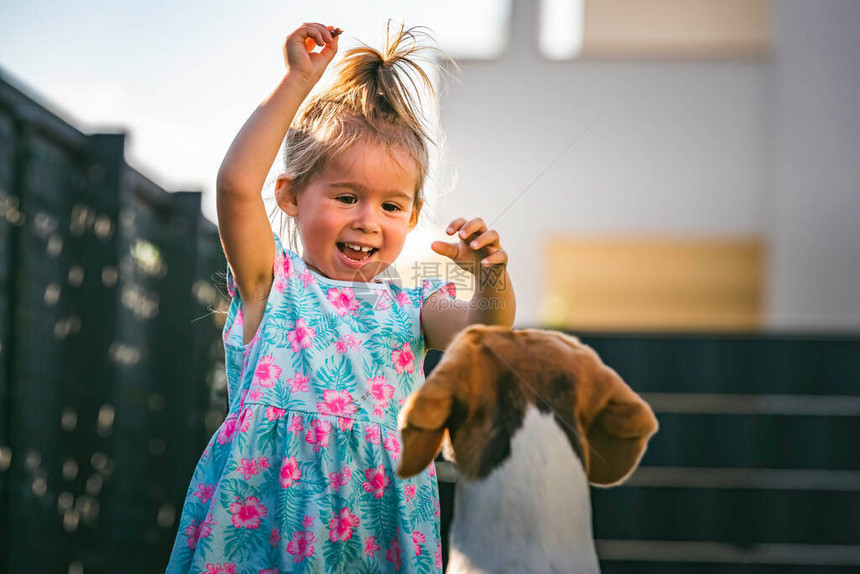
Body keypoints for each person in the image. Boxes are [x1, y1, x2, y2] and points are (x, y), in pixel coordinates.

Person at [166, 20, 515, 573]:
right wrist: (296, 83)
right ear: (290, 195)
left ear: (414, 216)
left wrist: (492, 277)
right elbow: (235, 184)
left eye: (391, 206)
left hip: (374, 532)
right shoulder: (272, 286)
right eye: (347, 196)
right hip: (265, 534)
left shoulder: (415, 305)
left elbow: (486, 333)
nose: (367, 221)